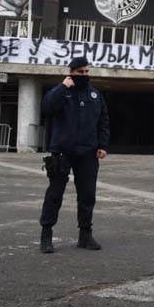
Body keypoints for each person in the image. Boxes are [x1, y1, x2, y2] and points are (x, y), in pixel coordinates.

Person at [39, 56, 110, 253]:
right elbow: (47, 107)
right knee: (55, 194)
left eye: (87, 72)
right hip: (62, 151)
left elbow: (103, 121)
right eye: (80, 72)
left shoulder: (95, 94)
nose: (84, 75)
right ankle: (46, 235)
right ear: (71, 72)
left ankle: (85, 235)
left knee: (87, 195)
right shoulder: (61, 92)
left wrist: (102, 145)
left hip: (88, 152)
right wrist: (63, 87)